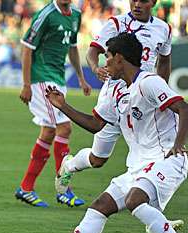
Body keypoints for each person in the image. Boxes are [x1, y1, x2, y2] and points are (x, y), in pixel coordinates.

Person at [33, 33, 188, 233]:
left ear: (120, 59)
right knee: (100, 206)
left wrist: (178, 144)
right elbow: (95, 125)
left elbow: (186, 110)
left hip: (167, 159)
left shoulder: (149, 83)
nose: (105, 63)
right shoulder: (115, 91)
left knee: (135, 199)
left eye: (108, 58)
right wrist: (63, 106)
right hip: (139, 166)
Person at [55, 0, 172, 193]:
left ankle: (150, 208)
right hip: (114, 95)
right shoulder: (116, 24)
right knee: (98, 159)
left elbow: (164, 61)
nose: (136, 4)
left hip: (142, 96)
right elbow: (93, 51)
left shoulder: (164, 29)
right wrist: (95, 68)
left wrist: (162, 91)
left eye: (142, 0)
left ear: (153, 2)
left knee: (149, 151)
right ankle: (70, 165)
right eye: (133, 0)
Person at [15, 0, 91, 208]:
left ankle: (26, 187)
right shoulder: (46, 15)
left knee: (49, 132)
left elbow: (73, 48)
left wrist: (81, 78)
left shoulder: (75, 15)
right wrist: (26, 84)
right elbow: (27, 48)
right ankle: (64, 190)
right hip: (42, 78)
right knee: (64, 128)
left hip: (58, 78)